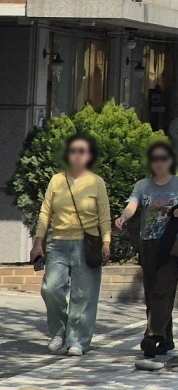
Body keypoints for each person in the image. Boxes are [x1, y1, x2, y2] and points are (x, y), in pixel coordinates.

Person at [114, 141, 178, 359]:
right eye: (155, 159)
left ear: (170, 161)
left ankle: (152, 335)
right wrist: (123, 217)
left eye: (163, 158)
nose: (159, 163)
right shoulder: (143, 185)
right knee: (152, 292)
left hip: (173, 244)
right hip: (148, 243)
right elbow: (133, 204)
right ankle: (167, 339)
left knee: (163, 289)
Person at [32, 133, 110, 357]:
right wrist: (38, 242)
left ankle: (78, 341)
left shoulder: (96, 182)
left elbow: (104, 216)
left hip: (87, 244)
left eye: (82, 151)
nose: (77, 155)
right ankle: (59, 331)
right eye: (73, 151)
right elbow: (45, 212)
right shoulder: (57, 180)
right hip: (58, 243)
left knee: (83, 295)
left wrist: (106, 242)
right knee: (50, 288)